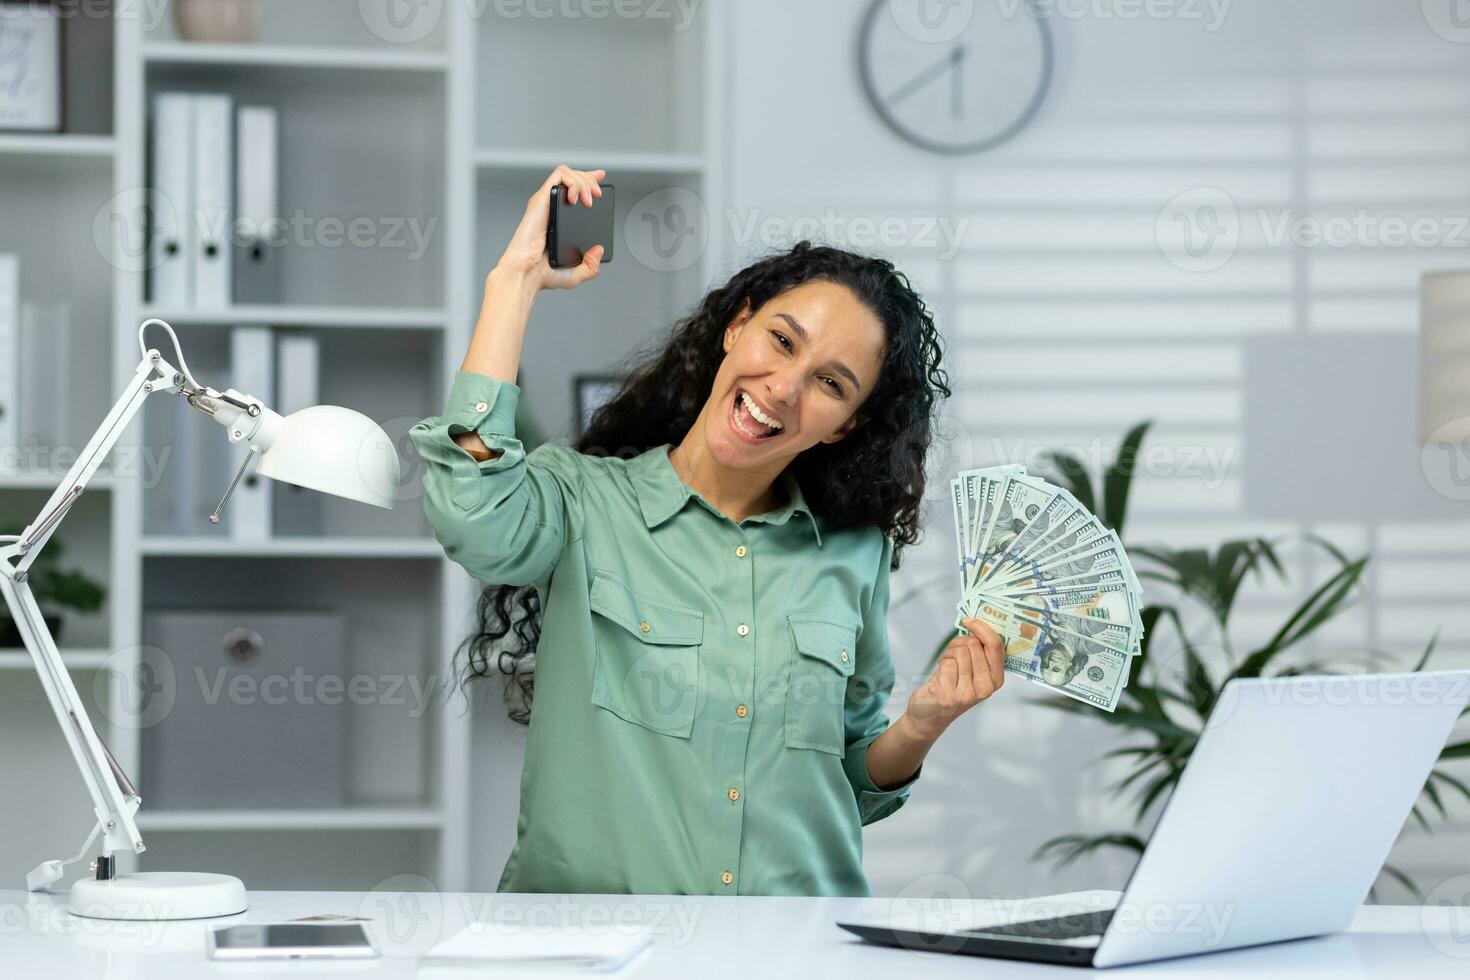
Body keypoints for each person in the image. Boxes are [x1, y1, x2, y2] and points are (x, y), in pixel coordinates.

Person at [409, 165, 1008, 897]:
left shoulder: (854, 551)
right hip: (595, 954)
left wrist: (922, 724)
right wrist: (513, 284)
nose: (785, 389)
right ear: (737, 325)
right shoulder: (583, 502)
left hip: (796, 952)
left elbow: (848, 782)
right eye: (782, 342)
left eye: (831, 383)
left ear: (845, 425)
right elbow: (471, 512)